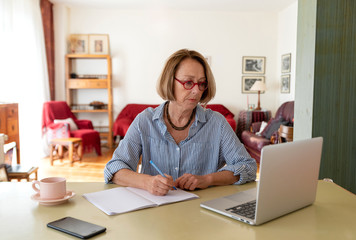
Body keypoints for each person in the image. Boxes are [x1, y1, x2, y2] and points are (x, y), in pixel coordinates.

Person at [104, 49, 257, 196]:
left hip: (203, 212)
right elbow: (114, 169)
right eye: (188, 82)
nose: (196, 91)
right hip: (154, 213)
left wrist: (208, 179)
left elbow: (248, 167)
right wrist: (147, 182)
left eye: (202, 83)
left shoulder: (217, 123)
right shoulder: (145, 121)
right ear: (169, 82)